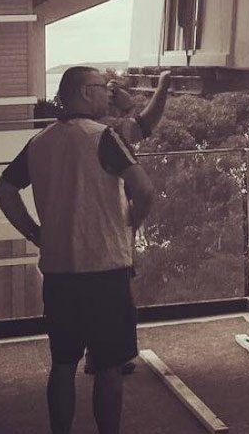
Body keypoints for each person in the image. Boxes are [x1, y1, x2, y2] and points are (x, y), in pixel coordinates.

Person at [0, 66, 158, 434]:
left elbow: (3, 191)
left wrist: (35, 233)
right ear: (84, 92)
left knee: (63, 365)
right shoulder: (104, 137)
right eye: (101, 87)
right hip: (105, 272)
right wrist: (131, 221)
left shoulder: (40, 142)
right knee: (109, 368)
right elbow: (144, 189)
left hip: (59, 274)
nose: (107, 95)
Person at [82, 70, 172, 377]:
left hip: (89, 221)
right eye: (104, 91)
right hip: (113, 219)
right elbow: (146, 123)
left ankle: (97, 353)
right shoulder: (108, 131)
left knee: (98, 289)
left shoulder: (80, 131)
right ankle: (109, 356)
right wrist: (162, 87)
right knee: (116, 288)